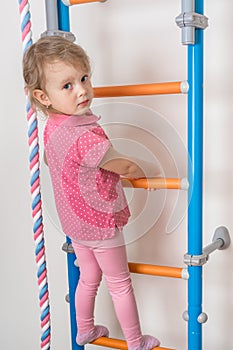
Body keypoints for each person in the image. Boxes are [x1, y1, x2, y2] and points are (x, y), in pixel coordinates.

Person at [23, 36, 162, 350]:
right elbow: (123, 168)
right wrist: (151, 168)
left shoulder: (53, 127)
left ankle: (84, 329)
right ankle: (136, 341)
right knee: (119, 282)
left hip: (74, 224)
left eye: (84, 78)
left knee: (89, 278)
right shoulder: (84, 136)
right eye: (67, 86)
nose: (82, 89)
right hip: (99, 223)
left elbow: (48, 158)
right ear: (43, 96)